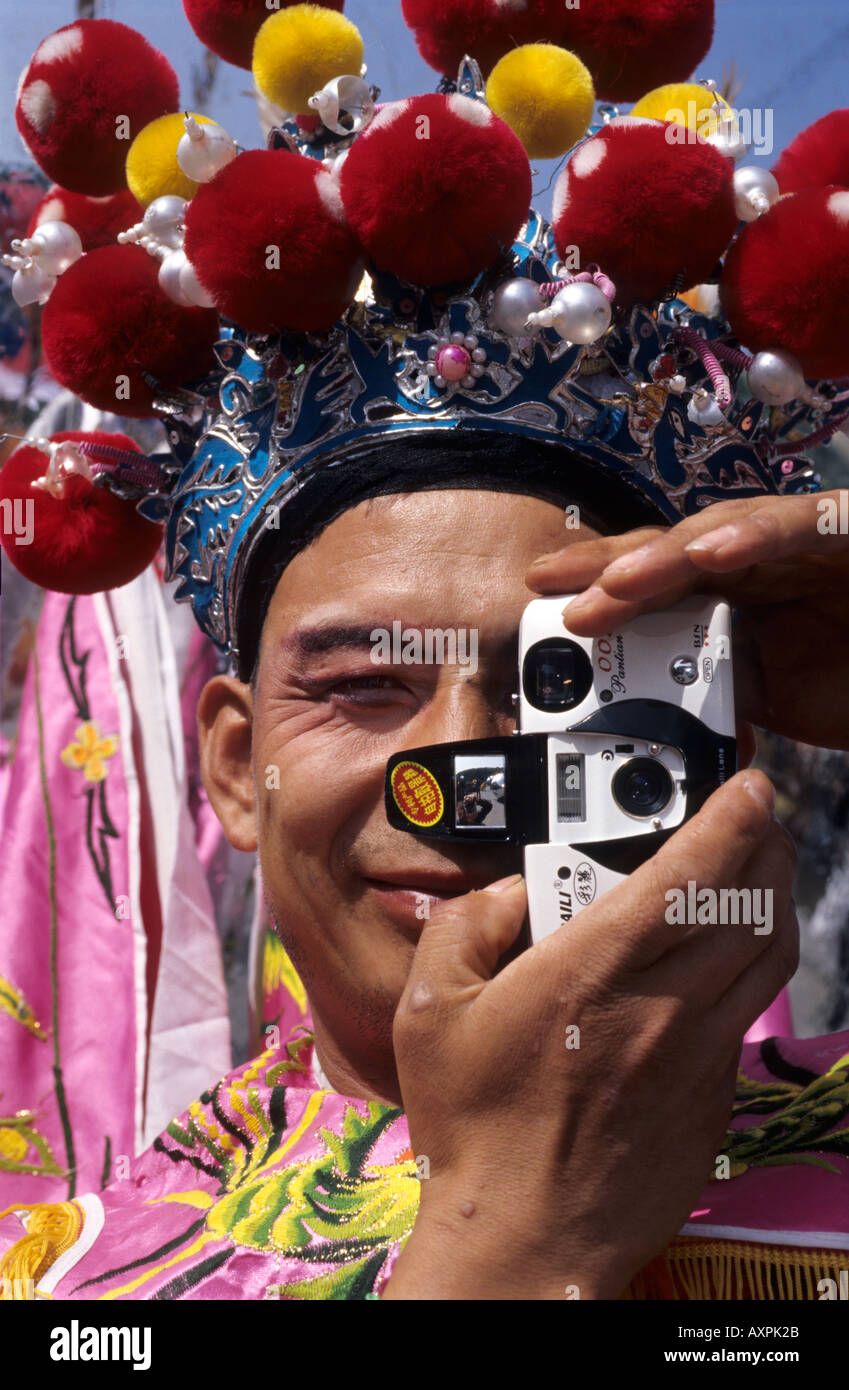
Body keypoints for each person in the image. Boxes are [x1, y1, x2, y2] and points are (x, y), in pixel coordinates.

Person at [2, 7, 849, 1302]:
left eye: (560, 682)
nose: (457, 773)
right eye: (361, 687)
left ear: (717, 739)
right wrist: (507, 1246)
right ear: (234, 764)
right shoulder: (67, 1286)